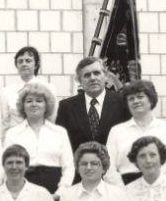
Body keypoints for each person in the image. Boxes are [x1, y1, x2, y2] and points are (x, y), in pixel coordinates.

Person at [55, 56, 131, 184]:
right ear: (79, 80)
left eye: (96, 73)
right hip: (78, 182)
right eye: (87, 75)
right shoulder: (64, 108)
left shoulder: (123, 104)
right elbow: (61, 149)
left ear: (106, 76)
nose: (92, 78)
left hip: (115, 182)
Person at [105, 80, 166, 187]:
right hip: (126, 189)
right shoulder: (117, 131)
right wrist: (123, 190)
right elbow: (109, 168)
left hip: (163, 188)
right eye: (131, 99)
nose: (136, 101)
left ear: (151, 100)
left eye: (140, 97)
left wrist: (165, 189)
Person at [3, 81, 74, 198]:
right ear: (22, 106)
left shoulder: (60, 133)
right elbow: (6, 167)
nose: (34, 104)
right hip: (22, 191)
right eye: (29, 101)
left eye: (39, 101)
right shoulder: (12, 134)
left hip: (54, 190)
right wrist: (14, 194)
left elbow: (69, 167)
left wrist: (59, 193)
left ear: (47, 105)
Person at [1, 46, 57, 137]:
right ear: (16, 65)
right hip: (16, 140)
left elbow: (51, 120)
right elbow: (5, 124)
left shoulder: (48, 88)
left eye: (28, 61)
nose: (24, 64)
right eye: (20, 61)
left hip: (41, 139)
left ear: (36, 65)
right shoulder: (7, 91)